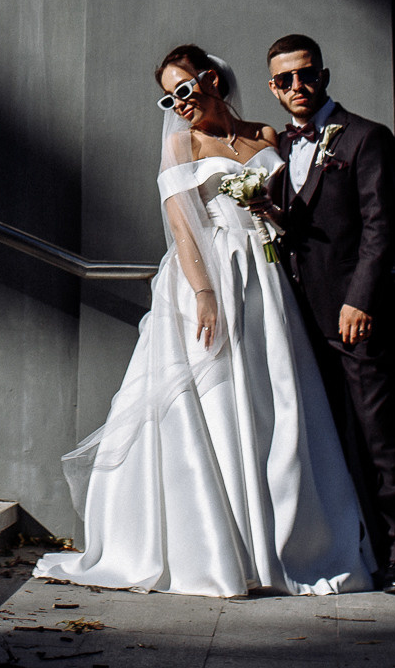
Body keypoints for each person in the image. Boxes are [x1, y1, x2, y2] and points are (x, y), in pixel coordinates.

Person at [34, 46, 376, 597]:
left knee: (274, 403)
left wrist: (269, 214)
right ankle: (219, 549)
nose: (178, 105)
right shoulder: (180, 144)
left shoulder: (266, 136)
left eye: (184, 90)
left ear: (211, 79)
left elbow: (291, 216)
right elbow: (182, 227)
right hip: (209, 278)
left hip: (265, 280)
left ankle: (283, 545)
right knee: (214, 404)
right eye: (168, 98)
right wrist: (204, 294)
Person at [255, 32, 395, 595]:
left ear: (323, 75)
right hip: (296, 321)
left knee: (380, 439)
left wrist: (360, 299)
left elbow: (381, 228)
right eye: (285, 80)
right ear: (272, 87)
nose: (297, 87)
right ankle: (345, 551)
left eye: (306, 75)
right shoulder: (276, 145)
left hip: (354, 317)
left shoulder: (367, 138)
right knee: (320, 444)